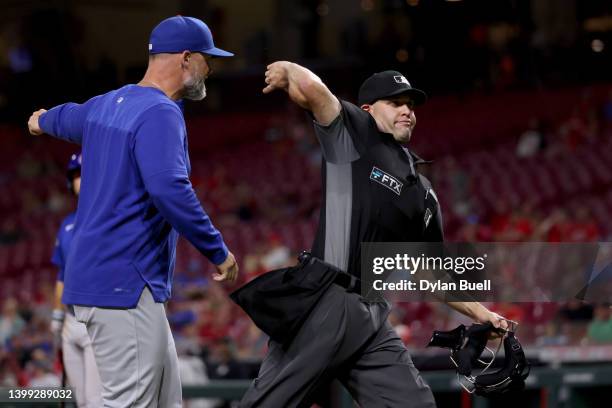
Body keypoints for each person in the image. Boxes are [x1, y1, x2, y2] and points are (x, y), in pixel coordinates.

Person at [237, 62, 511, 407]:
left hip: (371, 314)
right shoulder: (353, 137)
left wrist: (479, 313)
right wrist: (291, 71)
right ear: (368, 109)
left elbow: (430, 272)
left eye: (410, 104)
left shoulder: (421, 190)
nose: (406, 111)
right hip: (326, 301)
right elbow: (319, 95)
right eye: (394, 103)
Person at [27, 16, 238, 407]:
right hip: (121, 280)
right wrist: (217, 249)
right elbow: (168, 188)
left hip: (103, 279)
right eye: (208, 58)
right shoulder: (160, 111)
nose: (211, 67)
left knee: (165, 400)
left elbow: (64, 116)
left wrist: (40, 120)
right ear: (186, 58)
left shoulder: (106, 104)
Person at [50, 153, 103, 407]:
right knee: (80, 400)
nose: (81, 180)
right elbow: (62, 274)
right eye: (76, 175)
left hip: (97, 316)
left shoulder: (108, 219)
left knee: (96, 401)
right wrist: (56, 316)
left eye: (85, 173)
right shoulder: (66, 225)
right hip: (70, 319)